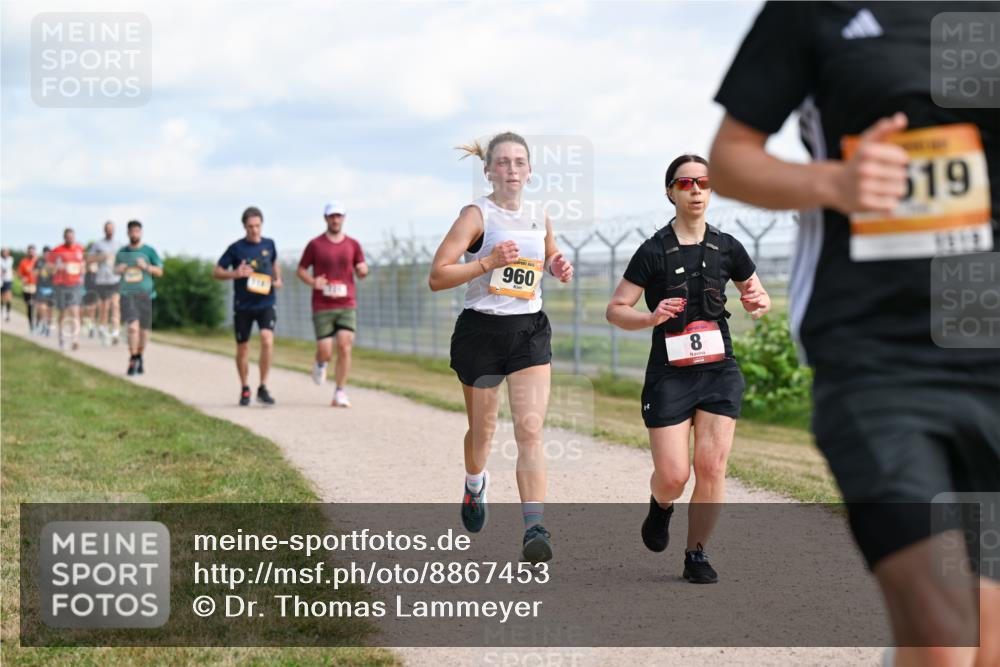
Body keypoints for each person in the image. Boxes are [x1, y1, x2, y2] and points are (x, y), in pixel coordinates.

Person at [710, 2, 998, 664]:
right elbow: (730, 157)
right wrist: (835, 181)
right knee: (944, 633)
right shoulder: (817, 10)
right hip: (877, 354)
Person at [606, 155, 770, 583]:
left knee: (712, 467)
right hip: (670, 373)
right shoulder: (653, 251)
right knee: (675, 476)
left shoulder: (729, 246)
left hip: (719, 369)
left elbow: (758, 294)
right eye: (686, 183)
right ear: (670, 192)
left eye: (703, 182)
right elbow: (616, 309)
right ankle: (661, 505)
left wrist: (757, 302)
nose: (696, 189)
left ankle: (696, 553)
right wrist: (650, 317)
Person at [428, 132, 574, 564]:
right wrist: (488, 263)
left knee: (529, 428)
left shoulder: (538, 214)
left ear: (530, 171)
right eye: (503, 163)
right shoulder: (477, 216)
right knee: (484, 430)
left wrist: (556, 263)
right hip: (481, 332)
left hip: (529, 330)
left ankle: (535, 526)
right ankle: (475, 483)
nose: (512, 169)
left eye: (519, 162)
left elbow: (546, 255)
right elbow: (438, 275)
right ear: (489, 170)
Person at [296, 201, 368, 407]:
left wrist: (363, 270)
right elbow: (301, 270)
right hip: (323, 305)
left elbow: (361, 267)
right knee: (326, 350)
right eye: (332, 216)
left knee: (345, 347)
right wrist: (313, 282)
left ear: (343, 218)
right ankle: (320, 363)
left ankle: (340, 391)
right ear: (326, 218)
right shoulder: (315, 244)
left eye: (339, 216)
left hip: (347, 303)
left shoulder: (353, 244)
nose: (336, 219)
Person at [214, 206, 282, 406]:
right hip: (243, 305)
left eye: (258, 226)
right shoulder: (236, 248)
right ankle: (245, 387)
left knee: (267, 340)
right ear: (244, 226)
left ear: (262, 225)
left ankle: (263, 386)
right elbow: (217, 272)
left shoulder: (270, 244)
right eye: (251, 226)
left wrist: (278, 279)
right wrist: (234, 274)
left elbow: (274, 263)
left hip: (266, 302)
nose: (254, 230)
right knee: (243, 348)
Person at [115, 220, 162, 375]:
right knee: (132, 327)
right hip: (128, 295)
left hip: (146, 295)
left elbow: (160, 272)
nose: (134, 234)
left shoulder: (149, 251)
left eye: (137, 231)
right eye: (132, 231)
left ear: (141, 233)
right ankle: (133, 357)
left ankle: (140, 355)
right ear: (128, 233)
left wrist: (146, 267)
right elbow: (115, 270)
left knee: (144, 330)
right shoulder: (122, 253)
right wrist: (119, 269)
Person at [50, 228, 86, 351]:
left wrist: (82, 269)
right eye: (68, 237)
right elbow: (50, 266)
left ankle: (75, 339)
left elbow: (83, 264)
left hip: (75, 284)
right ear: (64, 238)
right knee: (63, 312)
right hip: (61, 284)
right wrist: (58, 267)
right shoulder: (57, 250)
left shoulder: (79, 249)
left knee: (75, 310)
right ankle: (61, 337)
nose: (70, 238)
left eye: (72, 236)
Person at [88, 221, 122, 346]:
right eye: (107, 229)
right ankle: (102, 328)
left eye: (111, 229)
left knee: (115, 304)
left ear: (114, 230)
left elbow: (123, 260)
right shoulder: (98, 244)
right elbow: (89, 259)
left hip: (115, 279)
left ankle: (116, 331)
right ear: (104, 230)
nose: (109, 231)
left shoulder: (119, 244)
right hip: (102, 279)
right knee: (104, 306)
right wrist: (101, 257)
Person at [17, 245, 39, 331]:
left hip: (36, 286)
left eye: (32, 251)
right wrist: (22, 277)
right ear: (27, 252)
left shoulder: (38, 262)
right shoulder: (23, 262)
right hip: (27, 287)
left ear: (35, 252)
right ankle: (31, 325)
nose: (31, 253)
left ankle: (37, 323)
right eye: (29, 251)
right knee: (30, 306)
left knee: (37, 306)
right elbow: (19, 273)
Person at [34, 246, 54, 336]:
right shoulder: (38, 262)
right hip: (40, 287)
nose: (47, 255)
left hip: (51, 287)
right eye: (45, 253)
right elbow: (34, 273)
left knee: (49, 309)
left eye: (48, 253)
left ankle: (48, 327)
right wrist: (41, 270)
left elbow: (55, 273)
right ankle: (43, 325)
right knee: (41, 307)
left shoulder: (53, 263)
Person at [0, 248, 14, 322]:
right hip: (1, 280)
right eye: (4, 252)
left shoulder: (10, 259)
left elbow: (5, 268)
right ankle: (2, 310)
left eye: (6, 252)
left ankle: (8, 313)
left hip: (8, 280)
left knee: (8, 296)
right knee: (1, 297)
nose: (5, 253)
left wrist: (2, 272)